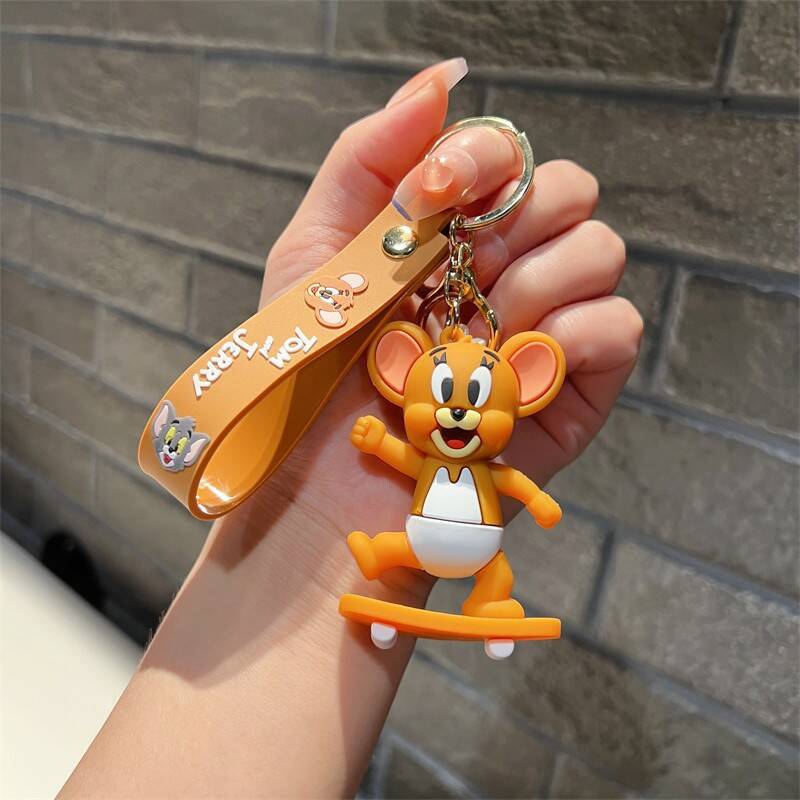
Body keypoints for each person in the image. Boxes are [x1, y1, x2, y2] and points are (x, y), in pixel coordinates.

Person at [59, 58, 642, 798]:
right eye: (446, 398)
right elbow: (408, 453)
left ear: (528, 379)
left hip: (444, 541)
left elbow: (503, 479)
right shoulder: (405, 393)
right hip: (416, 526)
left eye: (477, 403)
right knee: (403, 544)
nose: (459, 414)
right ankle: (385, 555)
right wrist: (318, 516)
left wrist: (342, 535)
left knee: (479, 573)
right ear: (399, 373)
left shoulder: (473, 429)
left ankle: (483, 601)